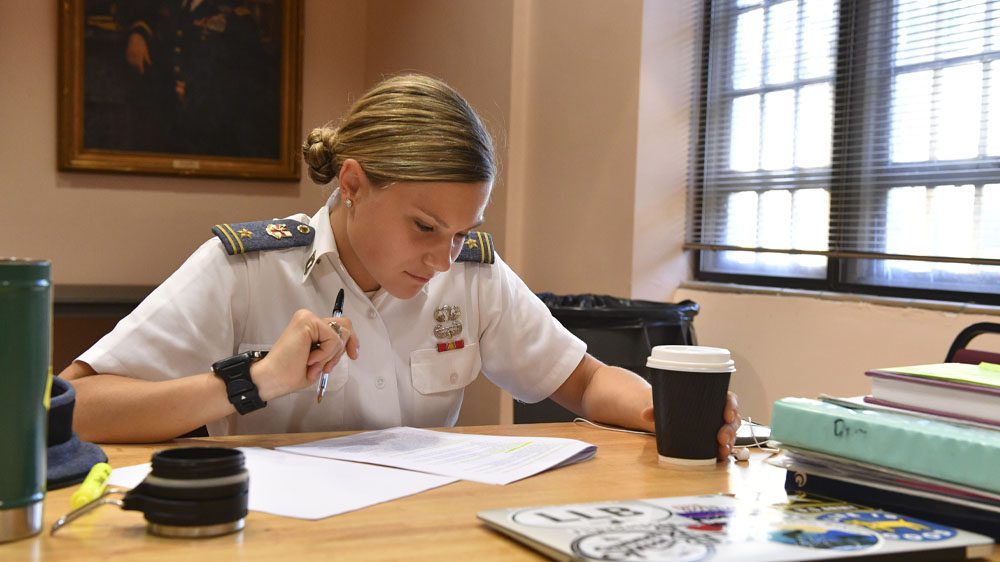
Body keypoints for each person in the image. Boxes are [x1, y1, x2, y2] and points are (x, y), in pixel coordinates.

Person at [62, 74, 741, 460]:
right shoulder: (246, 267)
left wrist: (665, 410)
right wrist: (257, 380)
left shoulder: (468, 272)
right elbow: (75, 409)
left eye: (462, 233)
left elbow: (585, 382)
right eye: (424, 227)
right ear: (353, 185)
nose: (443, 258)